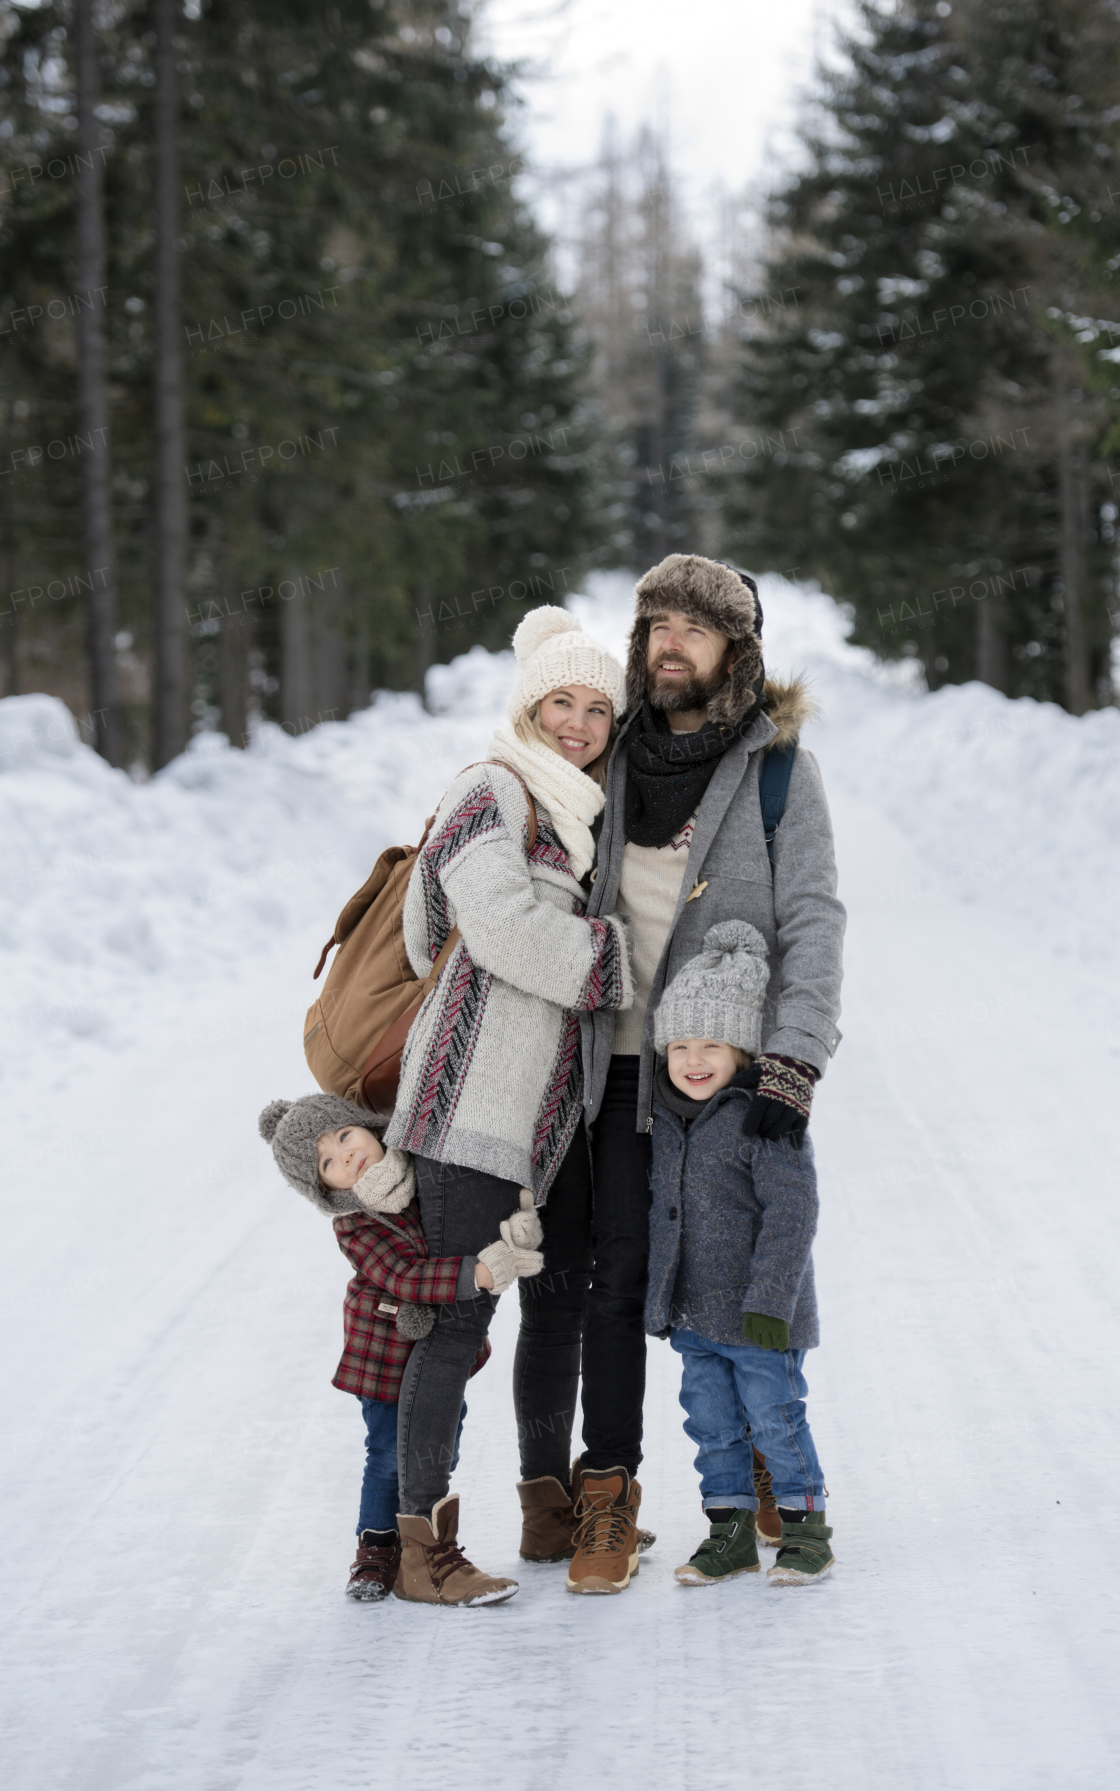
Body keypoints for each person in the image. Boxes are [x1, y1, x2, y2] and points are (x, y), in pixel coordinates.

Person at [571, 553, 845, 1592]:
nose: (670, 641)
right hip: (608, 1069)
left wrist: (793, 1061)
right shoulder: (608, 759)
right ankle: (608, 1494)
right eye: (655, 625)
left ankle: (773, 1469)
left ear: (735, 649)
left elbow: (813, 918)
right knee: (616, 1281)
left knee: (741, 1267)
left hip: (724, 1078)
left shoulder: (776, 766)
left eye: (695, 625)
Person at [386, 605, 639, 1602]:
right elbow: (491, 926)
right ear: (526, 704)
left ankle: (545, 1508)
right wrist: (614, 959)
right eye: (559, 701)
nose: (576, 722)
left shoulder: (577, 814)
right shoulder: (489, 788)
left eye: (594, 708)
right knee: (451, 1326)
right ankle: (421, 1547)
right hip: (465, 1112)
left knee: (556, 1313)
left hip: (547, 1123)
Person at [258, 1092, 538, 1605]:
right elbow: (402, 1274)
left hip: (434, 1347)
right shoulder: (355, 1222)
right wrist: (473, 1274)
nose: (345, 1155)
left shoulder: (419, 1173)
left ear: (366, 1125)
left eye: (344, 1136)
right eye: (327, 1162)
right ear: (324, 1188)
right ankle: (378, 1547)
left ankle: (414, 1537)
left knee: (441, 1438)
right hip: (385, 1353)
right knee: (388, 1451)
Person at [644, 921, 832, 1587]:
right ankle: (729, 1534)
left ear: (740, 1050)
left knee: (776, 1422)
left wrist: (771, 1303)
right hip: (696, 1318)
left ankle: (808, 1532)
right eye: (680, 1046)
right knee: (712, 1427)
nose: (693, 1060)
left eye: (711, 1046)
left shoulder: (764, 1119)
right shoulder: (665, 1120)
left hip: (760, 1320)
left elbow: (794, 1214)